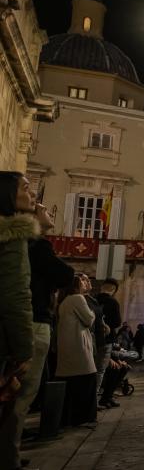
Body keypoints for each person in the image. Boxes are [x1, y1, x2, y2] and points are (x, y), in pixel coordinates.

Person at [13, 204, 73, 452]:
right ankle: (9, 453)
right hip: (35, 321)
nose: (49, 210)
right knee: (24, 392)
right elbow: (65, 274)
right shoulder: (37, 245)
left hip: (31, 319)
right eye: (41, 208)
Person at [0, 172, 39, 470]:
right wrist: (25, 349)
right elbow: (16, 296)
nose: (33, 193)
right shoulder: (12, 235)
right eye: (26, 188)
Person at [55, 274, 98, 427]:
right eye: (84, 280)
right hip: (78, 345)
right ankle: (83, 417)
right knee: (86, 380)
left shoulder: (64, 300)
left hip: (68, 345)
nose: (87, 283)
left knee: (71, 383)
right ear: (76, 284)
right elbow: (89, 319)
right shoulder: (78, 299)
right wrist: (93, 312)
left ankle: (69, 417)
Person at [94, 278, 122, 394]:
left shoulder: (93, 299)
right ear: (114, 289)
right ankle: (94, 400)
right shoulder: (113, 302)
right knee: (100, 370)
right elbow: (117, 322)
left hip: (92, 338)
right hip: (106, 340)